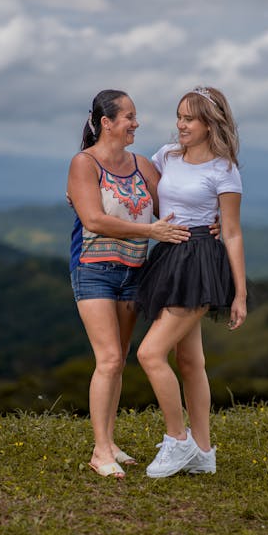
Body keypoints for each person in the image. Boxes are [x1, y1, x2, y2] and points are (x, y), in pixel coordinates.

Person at [67, 89, 195, 479]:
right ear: (106, 123)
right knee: (107, 359)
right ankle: (100, 450)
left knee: (118, 361)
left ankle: (108, 442)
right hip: (94, 269)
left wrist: (210, 221)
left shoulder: (142, 164)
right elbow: (94, 220)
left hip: (134, 271)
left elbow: (170, 204)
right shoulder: (84, 164)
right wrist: (150, 230)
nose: (135, 123)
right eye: (128, 117)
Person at [136, 86, 247, 478]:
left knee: (150, 354)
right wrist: (83, 192)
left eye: (189, 118)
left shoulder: (224, 169)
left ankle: (177, 440)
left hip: (201, 258)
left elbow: (231, 232)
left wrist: (240, 294)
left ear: (209, 124)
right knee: (188, 360)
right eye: (179, 116)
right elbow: (132, 180)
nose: (180, 124)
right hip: (168, 256)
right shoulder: (165, 156)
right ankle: (203, 451)